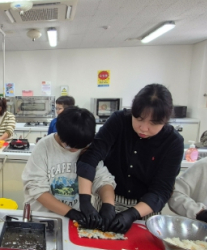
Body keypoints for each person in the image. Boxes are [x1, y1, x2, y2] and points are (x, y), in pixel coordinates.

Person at [77, 84, 184, 233]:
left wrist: (131, 214)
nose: (144, 128)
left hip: (144, 208)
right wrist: (85, 201)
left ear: (165, 120)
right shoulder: (119, 120)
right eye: (139, 119)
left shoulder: (173, 142)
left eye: (153, 123)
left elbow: (161, 191)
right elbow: (91, 156)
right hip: (108, 198)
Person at [23, 107, 116, 228]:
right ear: (59, 133)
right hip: (43, 217)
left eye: (79, 147)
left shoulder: (87, 148)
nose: (74, 150)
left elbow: (103, 180)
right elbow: (37, 189)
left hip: (71, 222)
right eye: (69, 146)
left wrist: (108, 205)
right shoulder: (44, 147)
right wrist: (71, 212)